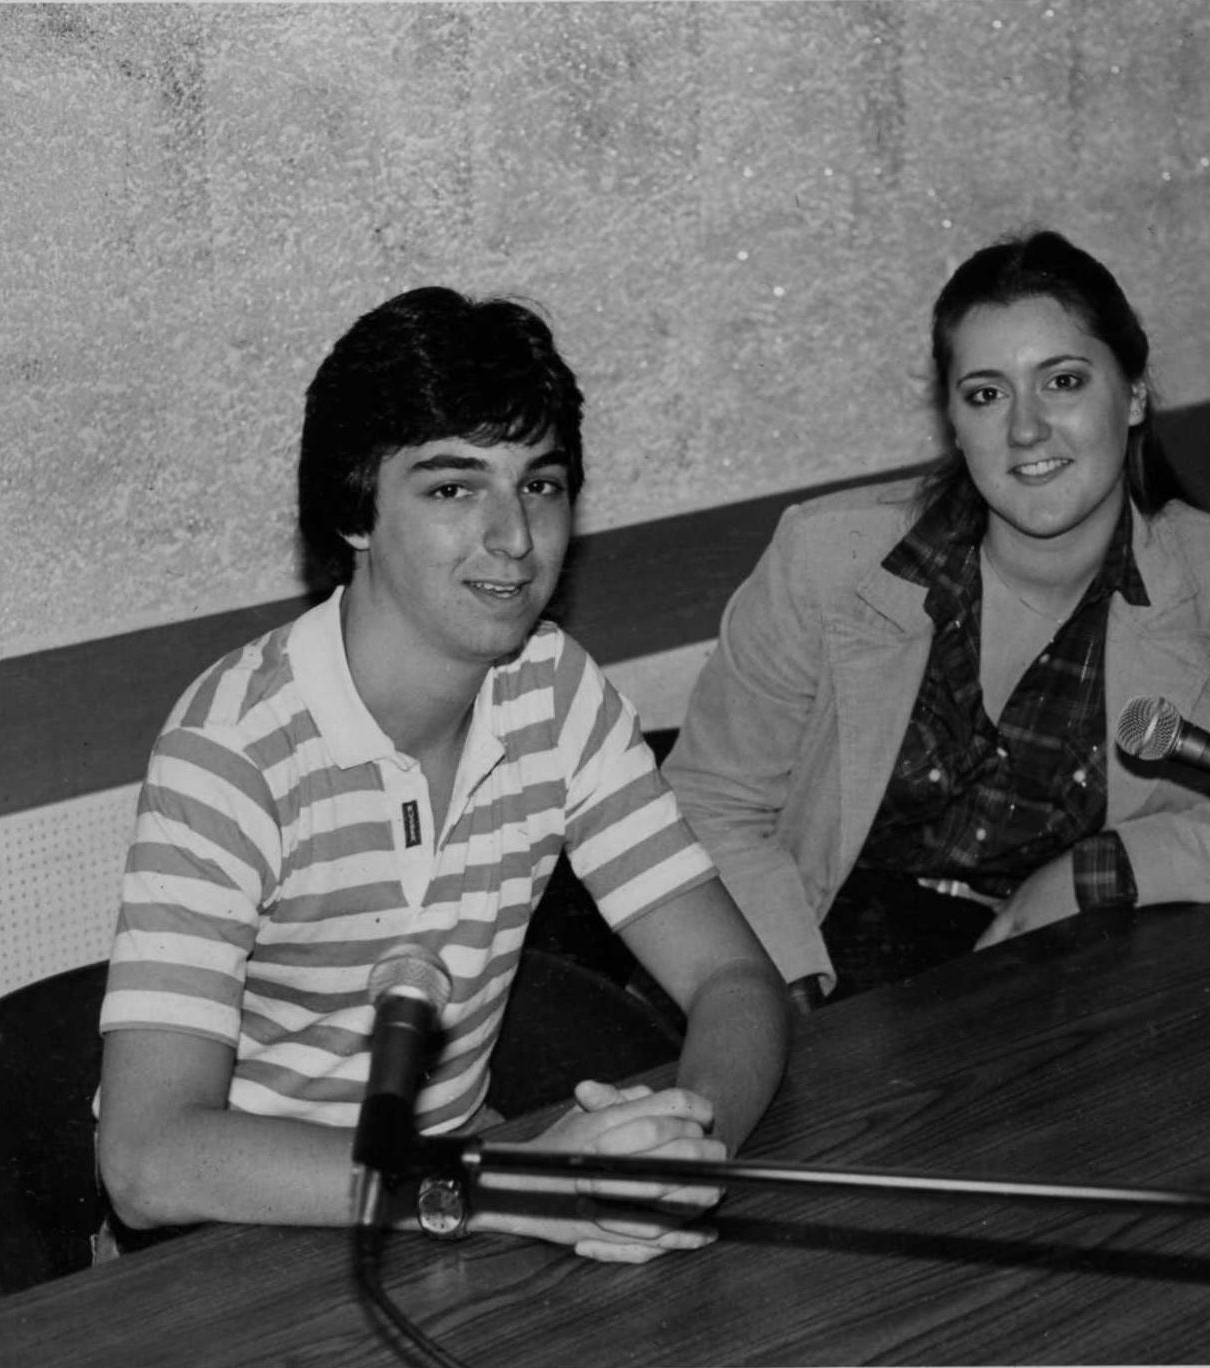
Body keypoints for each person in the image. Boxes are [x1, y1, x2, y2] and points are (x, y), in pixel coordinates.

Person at [96, 286, 790, 1263]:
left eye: (539, 485)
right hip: (233, 1243)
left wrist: (684, 1145)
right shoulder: (232, 749)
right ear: (355, 513)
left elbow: (734, 978)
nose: (513, 537)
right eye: (453, 489)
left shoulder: (555, 692)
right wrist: (503, 1185)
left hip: (453, 1210)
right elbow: (146, 1162)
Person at [664, 229, 1210, 1012]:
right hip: (820, 955)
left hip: (1056, 968)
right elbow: (710, 803)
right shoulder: (828, 559)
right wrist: (784, 998)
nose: (1026, 429)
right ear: (952, 419)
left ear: (1135, 394)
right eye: (987, 394)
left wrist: (1100, 871)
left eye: (1063, 382)